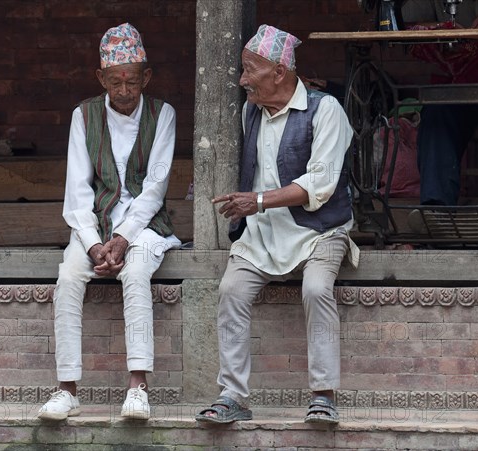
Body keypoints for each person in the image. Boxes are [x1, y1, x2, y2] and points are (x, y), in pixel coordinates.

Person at [195, 24, 359, 425]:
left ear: (280, 73)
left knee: (317, 288)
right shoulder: (251, 110)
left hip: (320, 230)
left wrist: (259, 201)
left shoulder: (326, 111)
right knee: (231, 289)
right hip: (264, 233)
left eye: (250, 70)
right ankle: (232, 394)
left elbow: (320, 184)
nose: (242, 79)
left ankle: (323, 395)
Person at [37, 23, 180, 421]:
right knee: (68, 277)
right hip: (94, 227)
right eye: (115, 82)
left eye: (131, 81)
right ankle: (67, 389)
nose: (123, 90)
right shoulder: (83, 116)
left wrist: (123, 238)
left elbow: (154, 187)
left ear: (145, 78)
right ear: (101, 78)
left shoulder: (162, 114)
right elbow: (77, 189)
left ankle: (138, 387)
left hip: (147, 226)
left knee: (135, 273)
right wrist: (93, 243)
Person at [401, 0, 478, 209]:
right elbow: (409, 19)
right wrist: (442, 30)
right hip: (458, 81)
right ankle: (436, 207)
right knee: (435, 115)